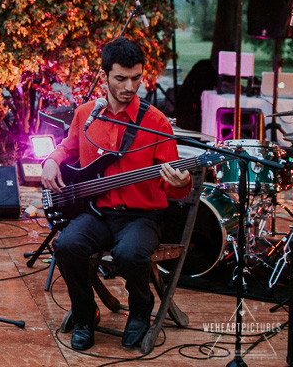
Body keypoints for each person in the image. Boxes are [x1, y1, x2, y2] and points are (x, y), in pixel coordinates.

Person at [41, 37, 191, 351]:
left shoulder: (156, 122)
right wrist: (51, 161)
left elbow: (173, 188)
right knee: (66, 245)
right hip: (97, 212)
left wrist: (180, 183)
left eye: (136, 78)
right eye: (121, 78)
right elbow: (68, 147)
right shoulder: (86, 114)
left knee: (130, 254)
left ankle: (140, 311)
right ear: (105, 74)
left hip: (141, 216)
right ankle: (85, 315)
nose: (129, 86)